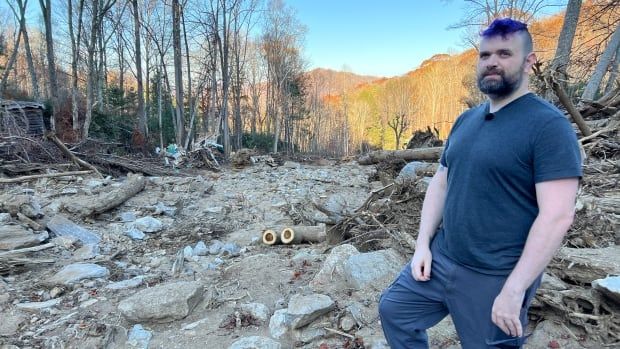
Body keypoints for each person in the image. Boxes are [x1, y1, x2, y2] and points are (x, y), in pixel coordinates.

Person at [378, 18, 582, 349]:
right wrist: (422, 245)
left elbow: (557, 215)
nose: (492, 62)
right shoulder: (465, 120)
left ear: (529, 61)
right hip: (442, 258)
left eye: (504, 53)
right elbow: (441, 183)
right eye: (485, 55)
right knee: (395, 311)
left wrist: (514, 290)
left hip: (495, 276)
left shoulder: (549, 127)